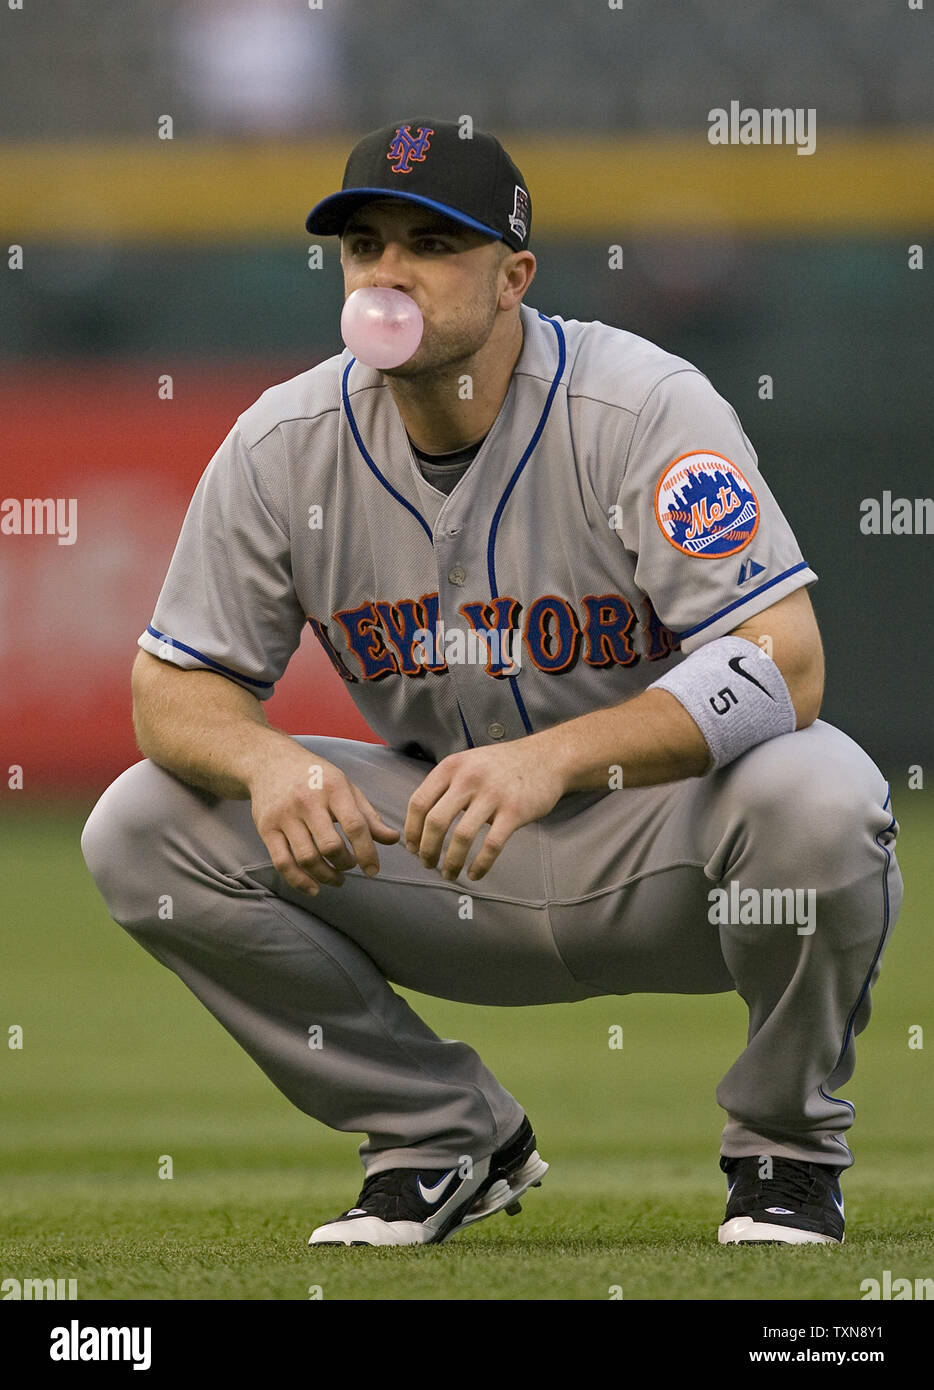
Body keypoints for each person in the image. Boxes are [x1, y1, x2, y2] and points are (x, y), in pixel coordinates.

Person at [81, 119, 902, 1248]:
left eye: (431, 242)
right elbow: (170, 692)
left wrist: (556, 755)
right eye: (363, 244)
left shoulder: (640, 407)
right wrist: (268, 761)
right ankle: (439, 1135)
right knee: (140, 823)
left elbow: (784, 659)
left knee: (821, 790)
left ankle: (783, 1152)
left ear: (515, 276)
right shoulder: (284, 443)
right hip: (445, 850)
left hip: (667, 848)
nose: (387, 272)